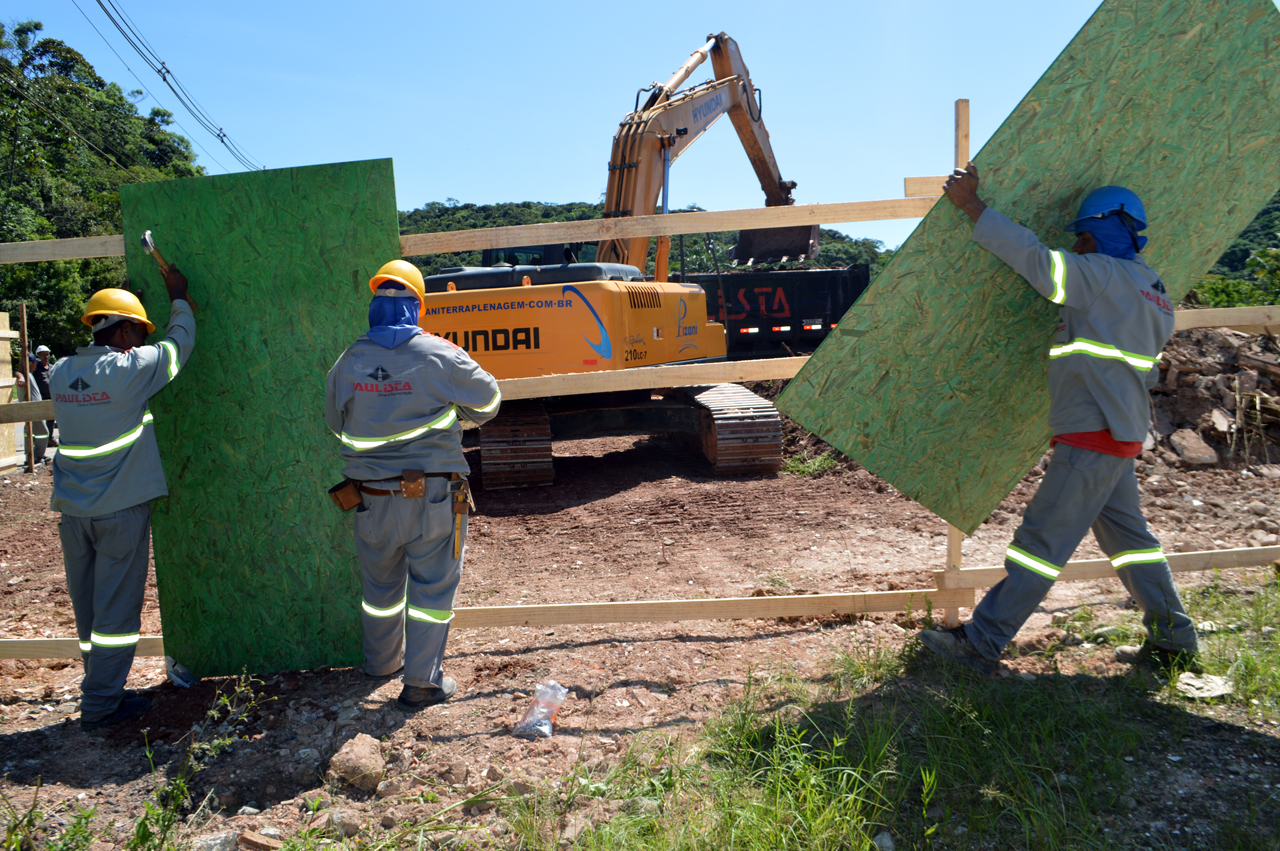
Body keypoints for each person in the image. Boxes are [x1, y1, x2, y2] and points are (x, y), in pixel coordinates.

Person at [920, 164, 1199, 676]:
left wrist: (972, 207)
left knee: (1041, 544)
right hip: (1121, 432)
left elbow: (1036, 260)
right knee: (1133, 545)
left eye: (1088, 236)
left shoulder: (1099, 276)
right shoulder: (1153, 290)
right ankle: (1175, 641)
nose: (1083, 246)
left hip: (1093, 433)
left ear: (1111, 229)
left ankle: (983, 639)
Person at [325, 260, 500, 711]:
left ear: (372, 309)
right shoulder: (441, 354)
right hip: (433, 499)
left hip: (370, 499)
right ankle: (422, 682)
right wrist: (455, 417)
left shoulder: (348, 361)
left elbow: (334, 423)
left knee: (380, 589)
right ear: (418, 307)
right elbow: (490, 401)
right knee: (432, 590)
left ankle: (381, 664)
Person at [50, 270, 195, 731]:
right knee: (116, 614)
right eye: (137, 331)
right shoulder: (131, 370)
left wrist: (126, 303)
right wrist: (178, 299)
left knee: (89, 608)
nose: (139, 341)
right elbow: (178, 346)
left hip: (74, 513)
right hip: (119, 511)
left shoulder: (59, 373)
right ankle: (101, 707)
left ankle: (99, 685)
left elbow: (97, 376)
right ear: (127, 331)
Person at [10, 359, 49, 464]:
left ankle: (32, 456)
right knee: (43, 433)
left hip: (34, 409)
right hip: (33, 410)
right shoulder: (25, 375)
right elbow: (13, 372)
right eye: (35, 362)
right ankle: (37, 456)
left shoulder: (28, 375)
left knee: (31, 433)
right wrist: (19, 376)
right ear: (32, 363)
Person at [33, 345, 56, 448]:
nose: (46, 356)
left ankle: (50, 438)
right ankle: (38, 440)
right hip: (41, 398)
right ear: (38, 356)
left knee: (51, 419)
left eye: (47, 354)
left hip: (52, 398)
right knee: (40, 421)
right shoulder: (36, 369)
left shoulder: (52, 367)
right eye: (43, 355)